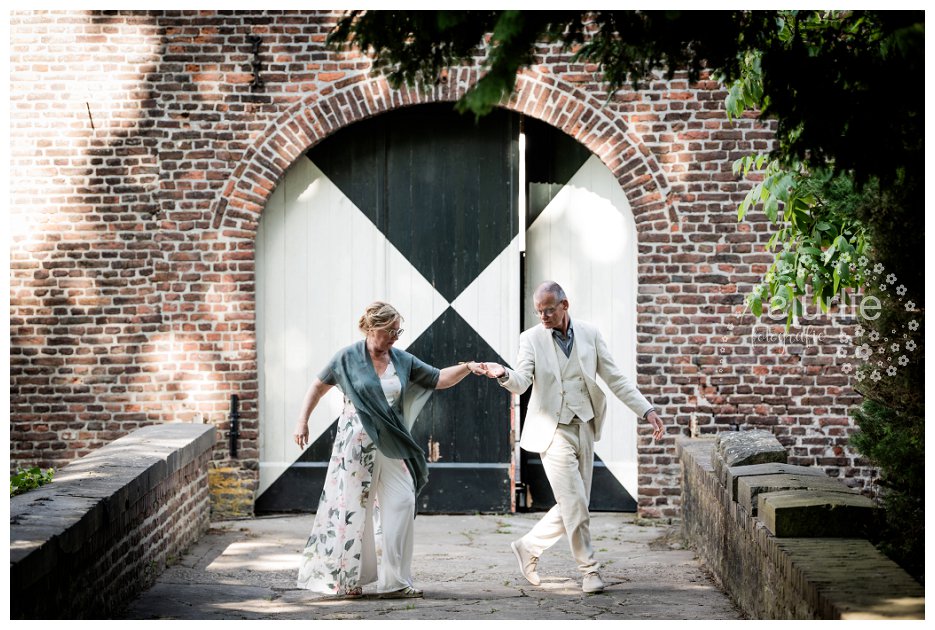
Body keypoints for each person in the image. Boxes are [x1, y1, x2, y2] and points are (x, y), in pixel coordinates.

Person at [481, 281, 665, 594]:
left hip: (584, 427)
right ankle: (589, 571)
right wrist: (502, 374)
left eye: (549, 309)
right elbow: (522, 382)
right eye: (539, 311)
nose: (543, 316)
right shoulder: (531, 339)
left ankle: (528, 546)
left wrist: (645, 410)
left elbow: (615, 377)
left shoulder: (590, 334)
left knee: (574, 504)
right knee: (576, 502)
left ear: (565, 305)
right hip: (552, 432)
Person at [294, 301, 484, 599]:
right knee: (353, 509)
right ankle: (348, 580)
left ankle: (395, 582)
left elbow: (437, 378)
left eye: (399, 330)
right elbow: (317, 387)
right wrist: (302, 421)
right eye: (391, 330)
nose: (396, 336)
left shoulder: (402, 360)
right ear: (371, 328)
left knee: (403, 500)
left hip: (392, 443)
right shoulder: (346, 358)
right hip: (356, 445)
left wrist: (468, 368)